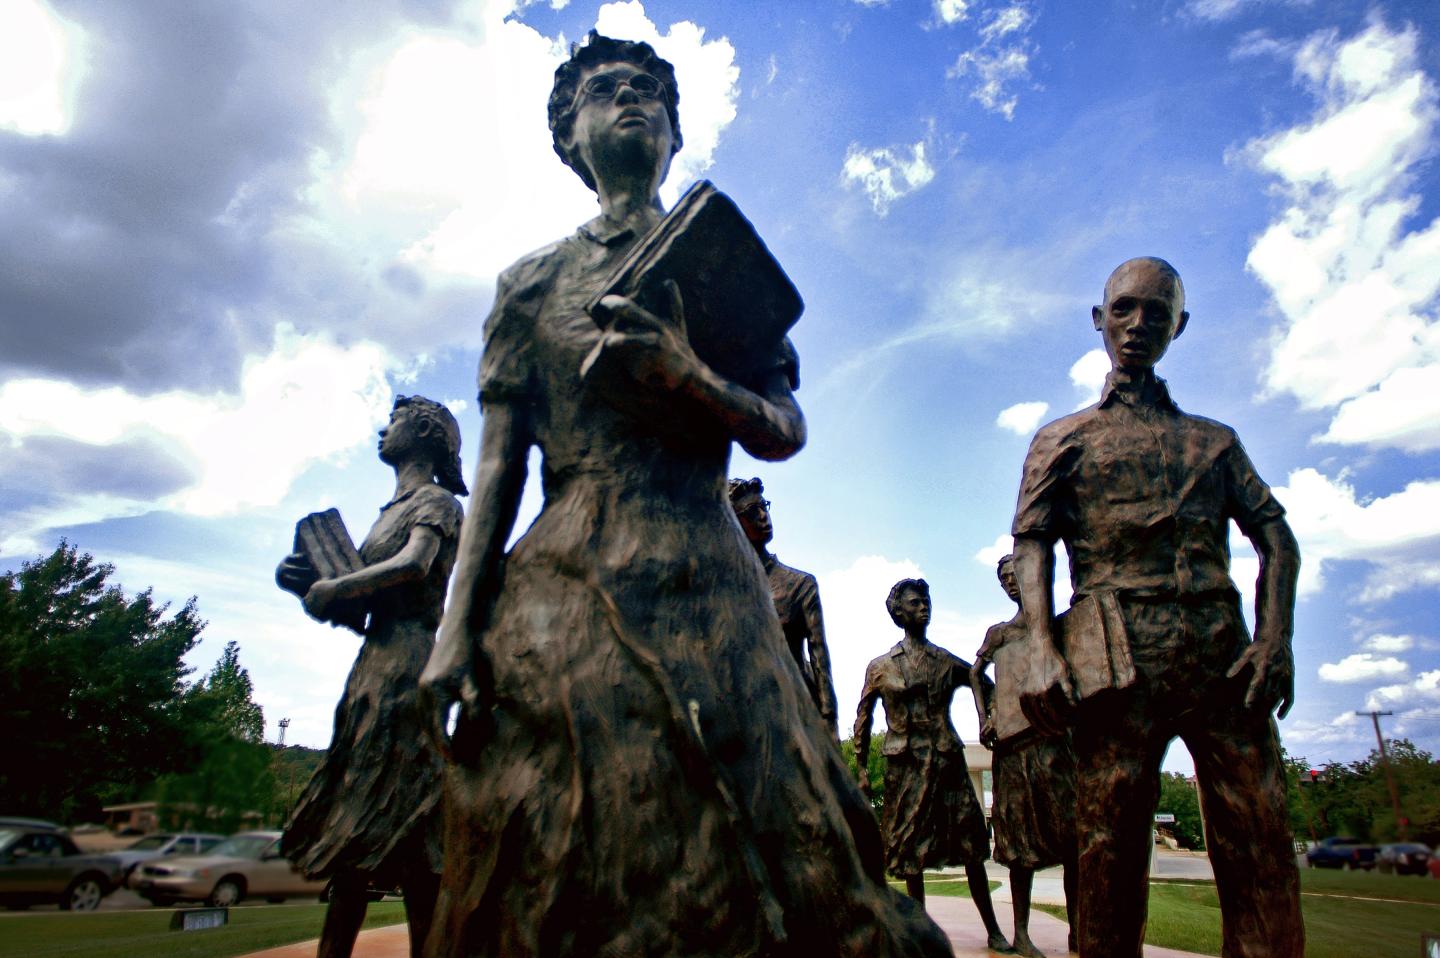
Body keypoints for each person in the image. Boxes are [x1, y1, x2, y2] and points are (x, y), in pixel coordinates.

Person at [418, 32, 950, 958]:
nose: (629, 102)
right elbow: (499, 467)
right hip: (563, 583)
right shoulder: (529, 284)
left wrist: (686, 375)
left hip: (709, 574)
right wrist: (455, 631)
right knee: (562, 831)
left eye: (647, 93)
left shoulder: (716, 257)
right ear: (568, 135)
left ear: (672, 130)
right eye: (603, 92)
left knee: (773, 823)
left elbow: (784, 430)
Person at [1011, 257, 1304, 957]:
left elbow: (1278, 542)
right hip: (1119, 656)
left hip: (1222, 655)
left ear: (1181, 325)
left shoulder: (1214, 441)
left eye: (1156, 312)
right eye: (1124, 309)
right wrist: (1042, 651)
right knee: (1107, 847)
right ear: (1099, 319)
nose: (1138, 324)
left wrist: (1274, 641)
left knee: (1259, 839)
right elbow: (1032, 546)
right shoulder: (1062, 438)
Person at [276, 395, 467, 958]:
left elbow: (414, 565)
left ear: (426, 432)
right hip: (373, 668)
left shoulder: (436, 502)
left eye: (396, 420)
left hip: (408, 669)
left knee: (397, 814)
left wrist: (337, 587)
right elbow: (363, 605)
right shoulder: (389, 509)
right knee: (369, 821)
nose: (382, 430)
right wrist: (303, 580)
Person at [855, 578, 1014, 954]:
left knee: (971, 845)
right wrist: (860, 767)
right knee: (911, 853)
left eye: (926, 600)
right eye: (915, 601)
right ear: (899, 612)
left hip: (946, 762)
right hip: (906, 766)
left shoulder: (944, 659)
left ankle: (993, 929)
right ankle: (919, 933)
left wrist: (987, 717)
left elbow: (982, 683)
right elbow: (863, 717)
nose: (924, 606)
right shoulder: (880, 666)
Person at [971, 555, 1077, 958]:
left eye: (1015, 574)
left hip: (1055, 744)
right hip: (1013, 748)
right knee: (1019, 845)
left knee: (1071, 838)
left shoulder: (1056, 626)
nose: (1011, 583)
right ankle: (1021, 932)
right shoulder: (999, 634)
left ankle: (1079, 929)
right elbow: (975, 673)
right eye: (1004, 579)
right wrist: (987, 716)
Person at [728, 477, 840, 742]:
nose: (764, 516)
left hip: (797, 710)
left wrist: (829, 720)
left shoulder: (800, 585)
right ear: (731, 523)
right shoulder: (725, 591)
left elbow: (819, 655)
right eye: (752, 512)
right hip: (746, 716)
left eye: (764, 506)